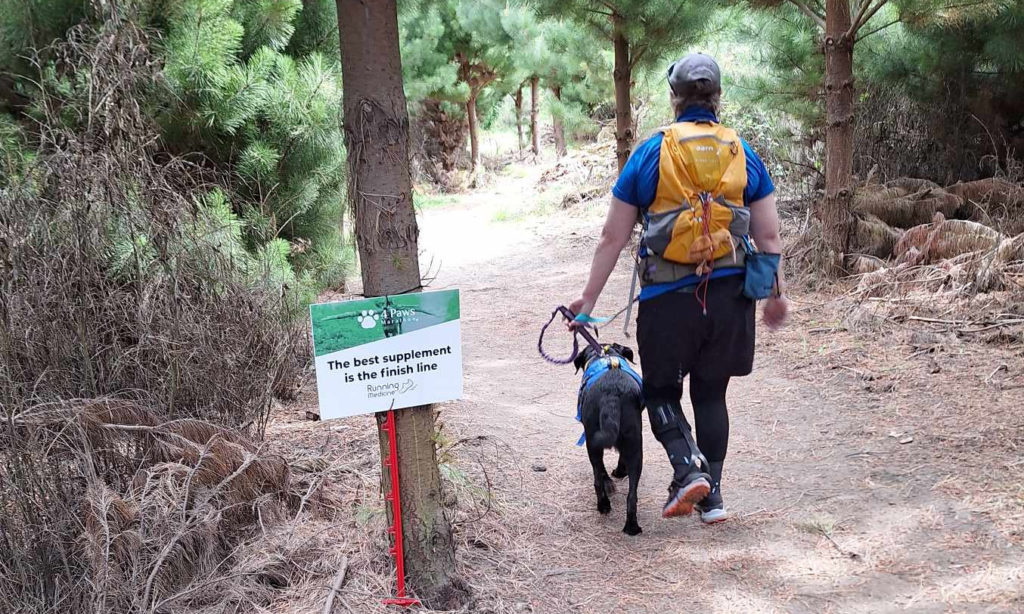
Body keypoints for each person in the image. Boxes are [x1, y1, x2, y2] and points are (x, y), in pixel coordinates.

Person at [569, 53, 789, 523]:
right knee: (712, 394)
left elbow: (614, 236)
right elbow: (767, 237)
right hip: (730, 297)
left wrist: (587, 302)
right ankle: (713, 498)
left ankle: (688, 470)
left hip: (668, 300)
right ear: (717, 99)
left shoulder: (652, 152)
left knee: (662, 393)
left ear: (675, 99)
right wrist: (775, 293)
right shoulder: (741, 152)